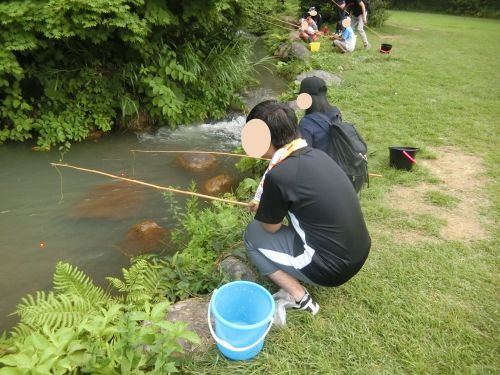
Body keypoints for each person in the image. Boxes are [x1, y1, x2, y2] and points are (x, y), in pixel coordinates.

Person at [244, 100, 371, 316]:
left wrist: (263, 209)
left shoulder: (279, 175)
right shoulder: (318, 154)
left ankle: (298, 296)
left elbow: (270, 228)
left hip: (331, 269)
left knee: (252, 234)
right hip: (359, 251)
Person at [298, 76, 342, 152]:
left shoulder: (306, 123)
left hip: (319, 162)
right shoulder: (336, 112)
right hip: (337, 160)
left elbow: (305, 154)